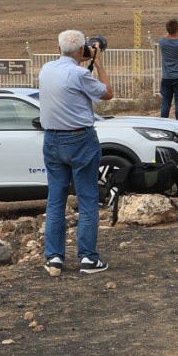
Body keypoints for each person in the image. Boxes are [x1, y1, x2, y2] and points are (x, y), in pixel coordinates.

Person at [39, 30, 113, 276]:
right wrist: (98, 63)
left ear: (57, 48)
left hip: (51, 139)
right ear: (82, 50)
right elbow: (107, 93)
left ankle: (54, 257)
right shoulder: (80, 73)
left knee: (56, 199)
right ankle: (88, 258)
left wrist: (83, 59)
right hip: (80, 139)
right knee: (88, 198)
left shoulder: (46, 70)